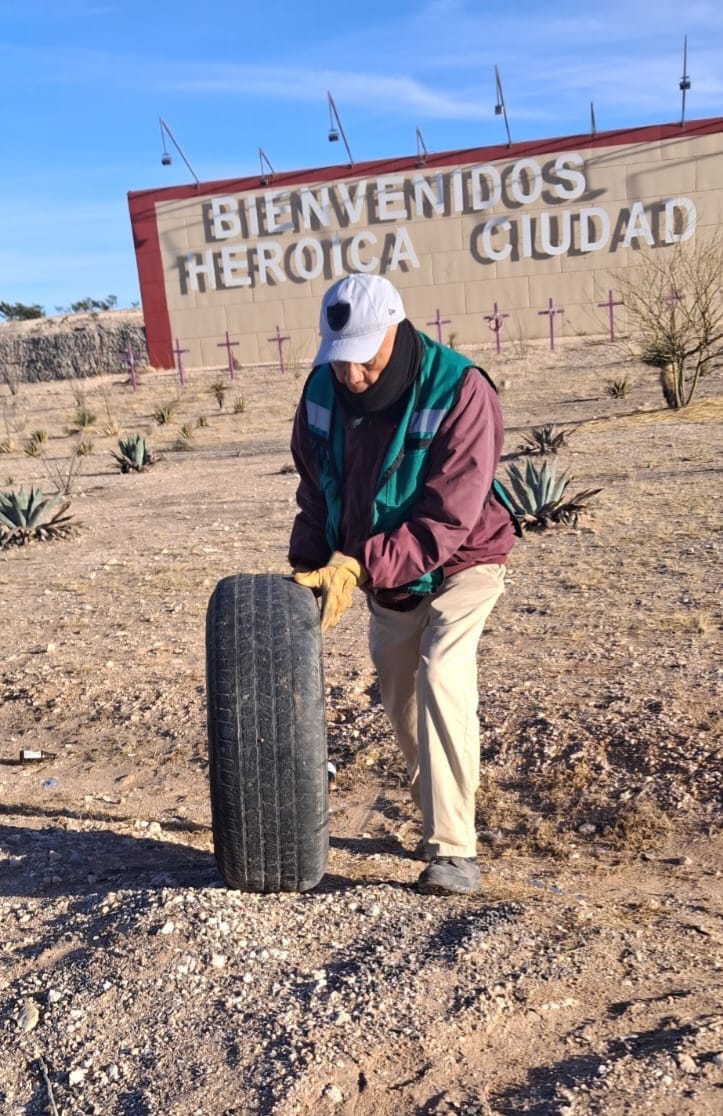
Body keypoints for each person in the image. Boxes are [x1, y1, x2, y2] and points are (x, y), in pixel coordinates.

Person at [289, 273, 516, 896]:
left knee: (442, 670)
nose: (352, 375)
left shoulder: (459, 389)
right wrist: (305, 570)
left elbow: (448, 515)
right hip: (386, 579)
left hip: (463, 562)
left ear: (396, 328)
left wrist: (357, 564)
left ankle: (454, 848)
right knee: (400, 696)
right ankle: (438, 805)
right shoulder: (322, 391)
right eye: (341, 360)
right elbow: (316, 490)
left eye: (364, 357)